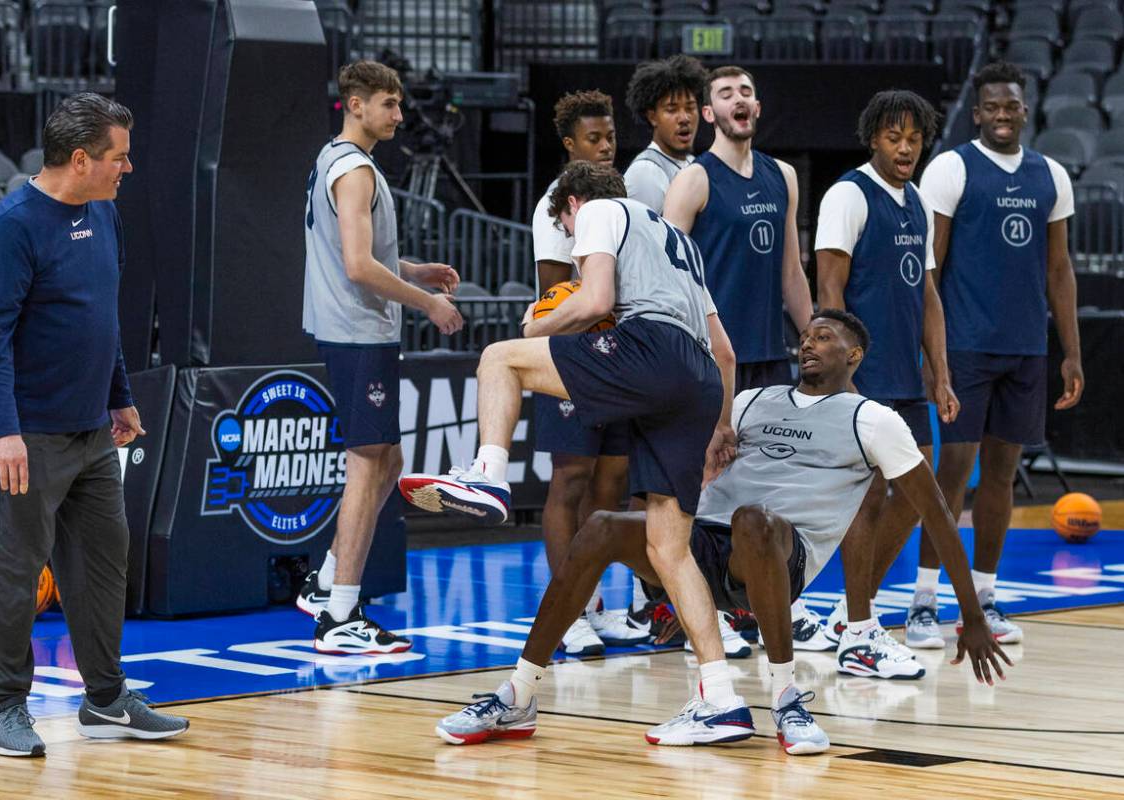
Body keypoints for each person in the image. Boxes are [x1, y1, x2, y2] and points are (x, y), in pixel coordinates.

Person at [432, 311, 1013, 752]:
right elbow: (689, 450)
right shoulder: (754, 400)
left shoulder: (876, 421)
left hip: (775, 556)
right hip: (700, 547)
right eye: (806, 334)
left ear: (855, 355)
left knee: (752, 520)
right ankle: (519, 694)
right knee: (605, 526)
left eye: (826, 337)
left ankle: (786, 699)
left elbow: (936, 512)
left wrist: (973, 616)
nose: (809, 342)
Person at [401, 161, 747, 744]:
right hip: (700, 380)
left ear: (574, 205)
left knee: (499, 358)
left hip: (650, 350)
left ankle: (488, 474)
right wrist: (721, 428)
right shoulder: (677, 243)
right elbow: (726, 351)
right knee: (668, 548)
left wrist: (537, 328)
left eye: (566, 225)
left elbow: (595, 299)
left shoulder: (600, 211)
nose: (570, 236)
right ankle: (722, 697)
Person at [0, 93, 189, 757]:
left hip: (92, 431)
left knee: (101, 567)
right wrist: (4, 430)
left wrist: (119, 395)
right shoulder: (11, 228)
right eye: (118, 157)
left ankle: (106, 701)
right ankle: (6, 708)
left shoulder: (104, 213)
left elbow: (103, 319)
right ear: (80, 158)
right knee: (13, 578)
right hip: (23, 437)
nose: (128, 167)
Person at [910, 61, 1083, 645]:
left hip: (1026, 349)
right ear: (977, 112)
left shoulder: (1052, 175)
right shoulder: (951, 168)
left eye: (1012, 105)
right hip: (965, 346)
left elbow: (1059, 269)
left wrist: (1071, 352)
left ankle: (984, 597)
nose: (1003, 115)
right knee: (952, 474)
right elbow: (929, 267)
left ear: (1024, 111)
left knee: (1003, 477)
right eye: (992, 107)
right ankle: (924, 603)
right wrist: (933, 355)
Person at [297, 61, 463, 654]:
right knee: (368, 466)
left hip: (352, 329)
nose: (398, 115)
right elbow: (357, 266)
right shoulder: (355, 170)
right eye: (389, 105)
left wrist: (415, 270)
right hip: (358, 333)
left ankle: (323, 585)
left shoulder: (334, 159)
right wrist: (427, 303)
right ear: (356, 104)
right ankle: (340, 614)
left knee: (387, 462)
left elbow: (362, 252)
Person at [663, 65, 825, 652]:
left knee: (765, 488)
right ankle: (696, 615)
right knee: (705, 488)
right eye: (727, 94)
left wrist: (817, 342)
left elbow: (791, 271)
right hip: (709, 360)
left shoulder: (783, 176)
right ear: (709, 114)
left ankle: (761, 602)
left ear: (757, 107)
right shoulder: (692, 182)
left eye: (747, 93)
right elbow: (666, 275)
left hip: (767, 360)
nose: (739, 101)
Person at [815, 90, 959, 670]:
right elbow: (829, 294)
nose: (905, 148)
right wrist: (839, 377)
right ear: (873, 137)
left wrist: (940, 372)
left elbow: (927, 293)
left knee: (919, 492)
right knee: (870, 498)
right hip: (861, 376)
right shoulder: (848, 195)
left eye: (914, 138)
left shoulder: (917, 201)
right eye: (894, 137)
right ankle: (858, 631)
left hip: (904, 374)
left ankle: (853, 616)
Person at [530, 91, 647, 655]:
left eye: (610, 138)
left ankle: (597, 603)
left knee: (611, 486)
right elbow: (554, 297)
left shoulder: (617, 201)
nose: (605, 148)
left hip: (616, 359)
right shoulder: (558, 205)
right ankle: (566, 609)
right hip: (570, 358)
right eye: (593, 139)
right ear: (569, 144)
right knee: (570, 479)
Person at [622, 54, 707, 213]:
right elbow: (643, 237)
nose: (684, 118)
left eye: (690, 108)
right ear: (652, 116)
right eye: (672, 109)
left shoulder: (692, 162)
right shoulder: (645, 173)